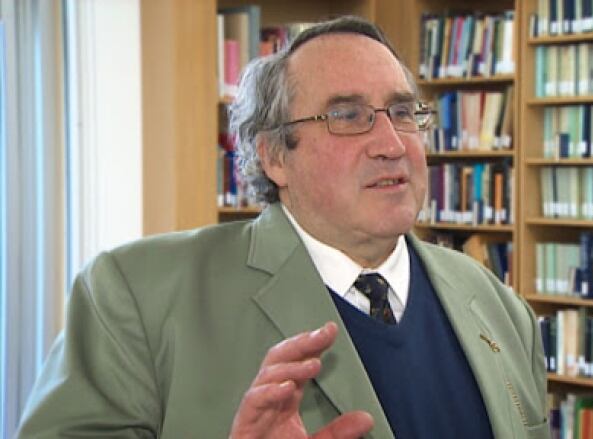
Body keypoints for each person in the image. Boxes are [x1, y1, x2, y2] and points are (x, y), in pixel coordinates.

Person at [18, 16, 549, 439]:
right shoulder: (136, 297)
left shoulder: (501, 311)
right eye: (347, 115)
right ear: (273, 155)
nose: (393, 143)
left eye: (403, 112)